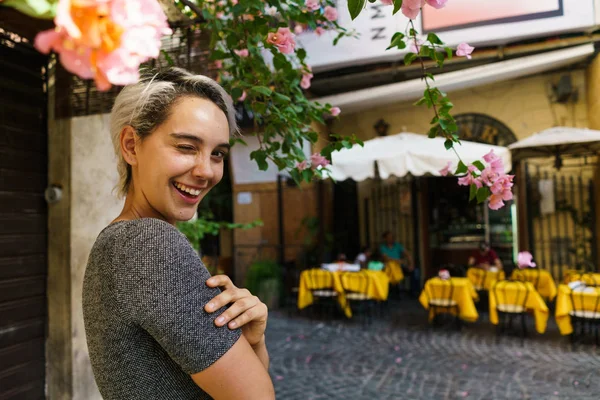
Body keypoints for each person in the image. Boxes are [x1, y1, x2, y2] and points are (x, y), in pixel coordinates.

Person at [82, 68, 275, 399]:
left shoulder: (116, 242)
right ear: (131, 145)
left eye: (217, 154)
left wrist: (253, 339)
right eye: (187, 147)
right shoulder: (149, 244)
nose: (206, 171)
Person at [380, 231, 420, 295]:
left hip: (399, 267)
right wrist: (398, 260)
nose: (391, 239)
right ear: (385, 239)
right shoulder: (382, 247)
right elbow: (386, 258)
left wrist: (411, 265)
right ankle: (392, 293)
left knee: (415, 271)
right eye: (389, 237)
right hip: (389, 268)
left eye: (392, 237)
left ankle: (414, 292)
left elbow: (408, 254)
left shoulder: (398, 245)